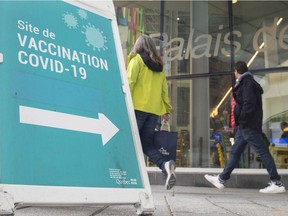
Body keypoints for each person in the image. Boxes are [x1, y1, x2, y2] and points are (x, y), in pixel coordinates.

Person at [205, 61, 285, 193]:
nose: (234, 74)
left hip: (248, 125)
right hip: (244, 126)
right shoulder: (247, 82)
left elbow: (248, 104)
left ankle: (277, 182)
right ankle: (222, 179)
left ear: (237, 71)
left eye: (234, 72)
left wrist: (241, 119)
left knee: (263, 152)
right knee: (235, 152)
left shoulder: (247, 83)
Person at [126, 35, 176, 190]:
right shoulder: (160, 67)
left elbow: (129, 84)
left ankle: (127, 177)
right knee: (145, 143)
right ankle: (165, 164)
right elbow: (164, 90)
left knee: (128, 142)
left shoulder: (136, 61)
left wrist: (123, 104)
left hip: (136, 108)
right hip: (153, 112)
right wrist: (166, 110)